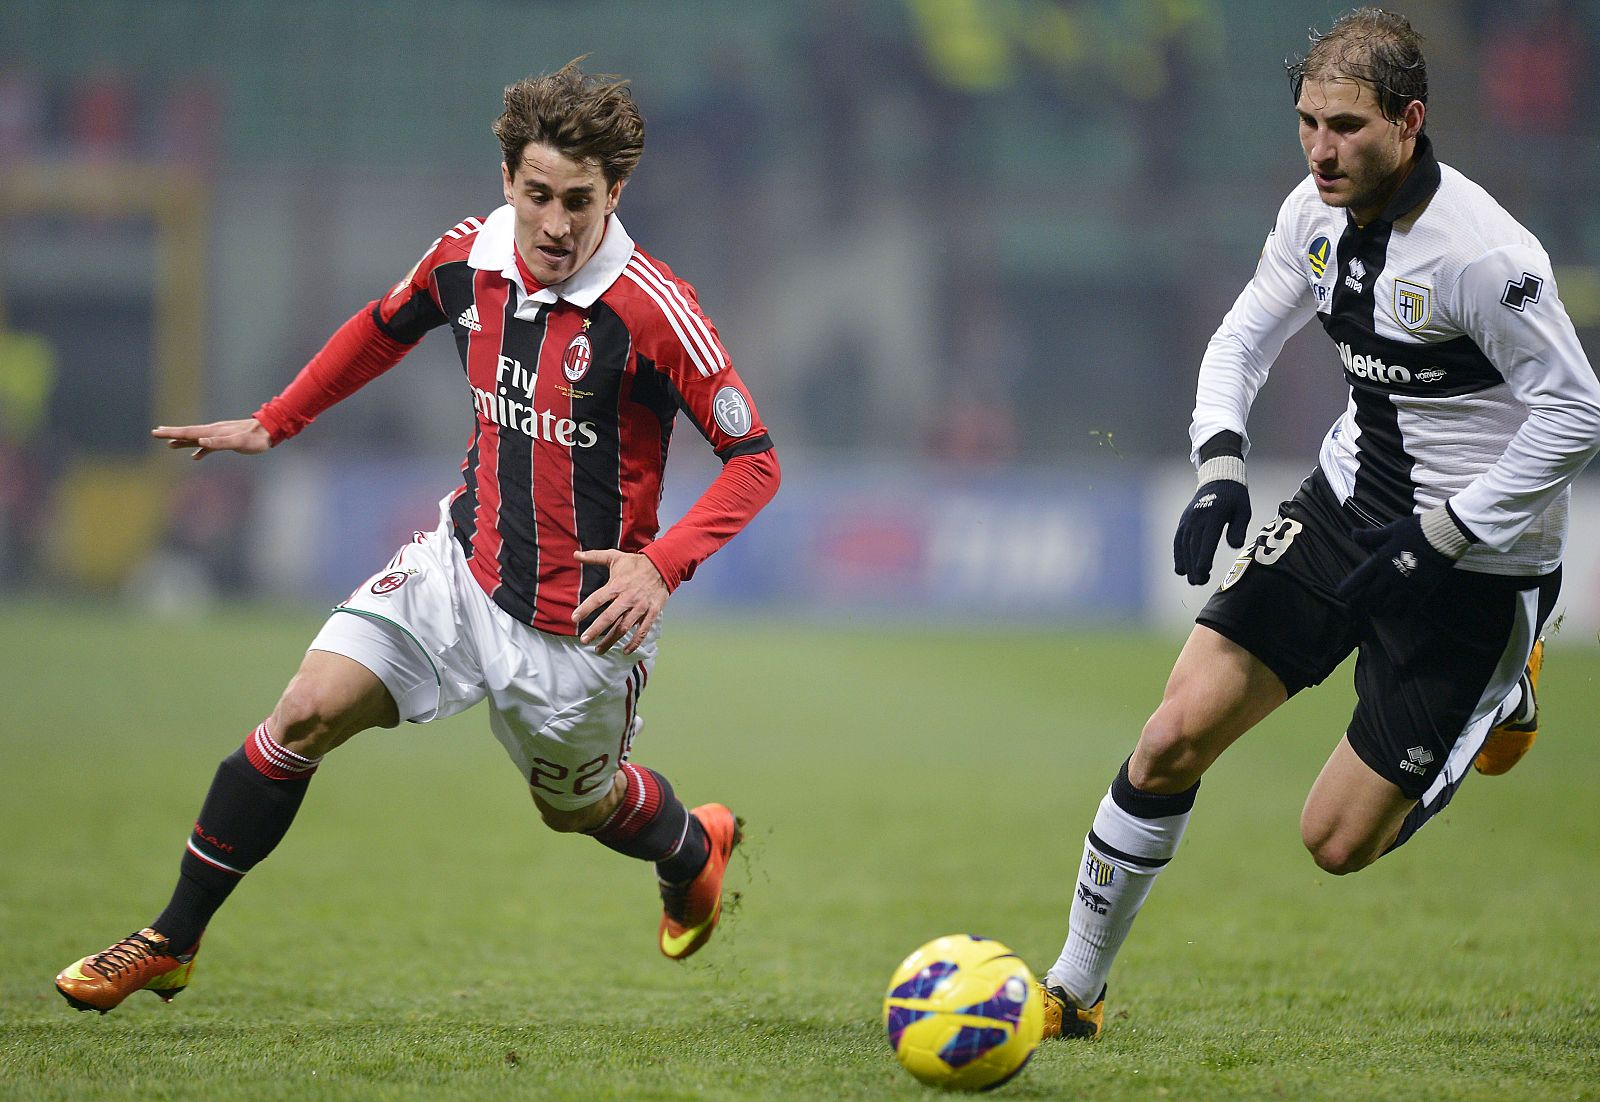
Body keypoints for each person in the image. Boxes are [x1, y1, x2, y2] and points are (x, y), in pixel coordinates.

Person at [55, 60, 781, 1014]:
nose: (556, 224)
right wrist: (278, 420)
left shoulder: (652, 310)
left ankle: (692, 845)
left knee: (578, 809)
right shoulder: (468, 255)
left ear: (618, 192)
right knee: (305, 711)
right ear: (506, 182)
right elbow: (384, 324)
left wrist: (661, 565)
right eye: (536, 196)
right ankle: (170, 939)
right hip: (458, 566)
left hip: (577, 628)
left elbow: (755, 460)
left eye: (579, 200)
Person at [1035, 8, 1600, 1040]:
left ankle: (1500, 690)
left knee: (1333, 842)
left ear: (1409, 121)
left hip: (1473, 563)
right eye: (1306, 122)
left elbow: (1576, 411)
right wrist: (1218, 462)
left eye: (1344, 126)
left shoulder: (1483, 256)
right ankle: (1072, 988)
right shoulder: (1312, 213)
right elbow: (1245, 334)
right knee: (1171, 736)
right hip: (1344, 510)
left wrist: (1444, 534)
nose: (1320, 149)